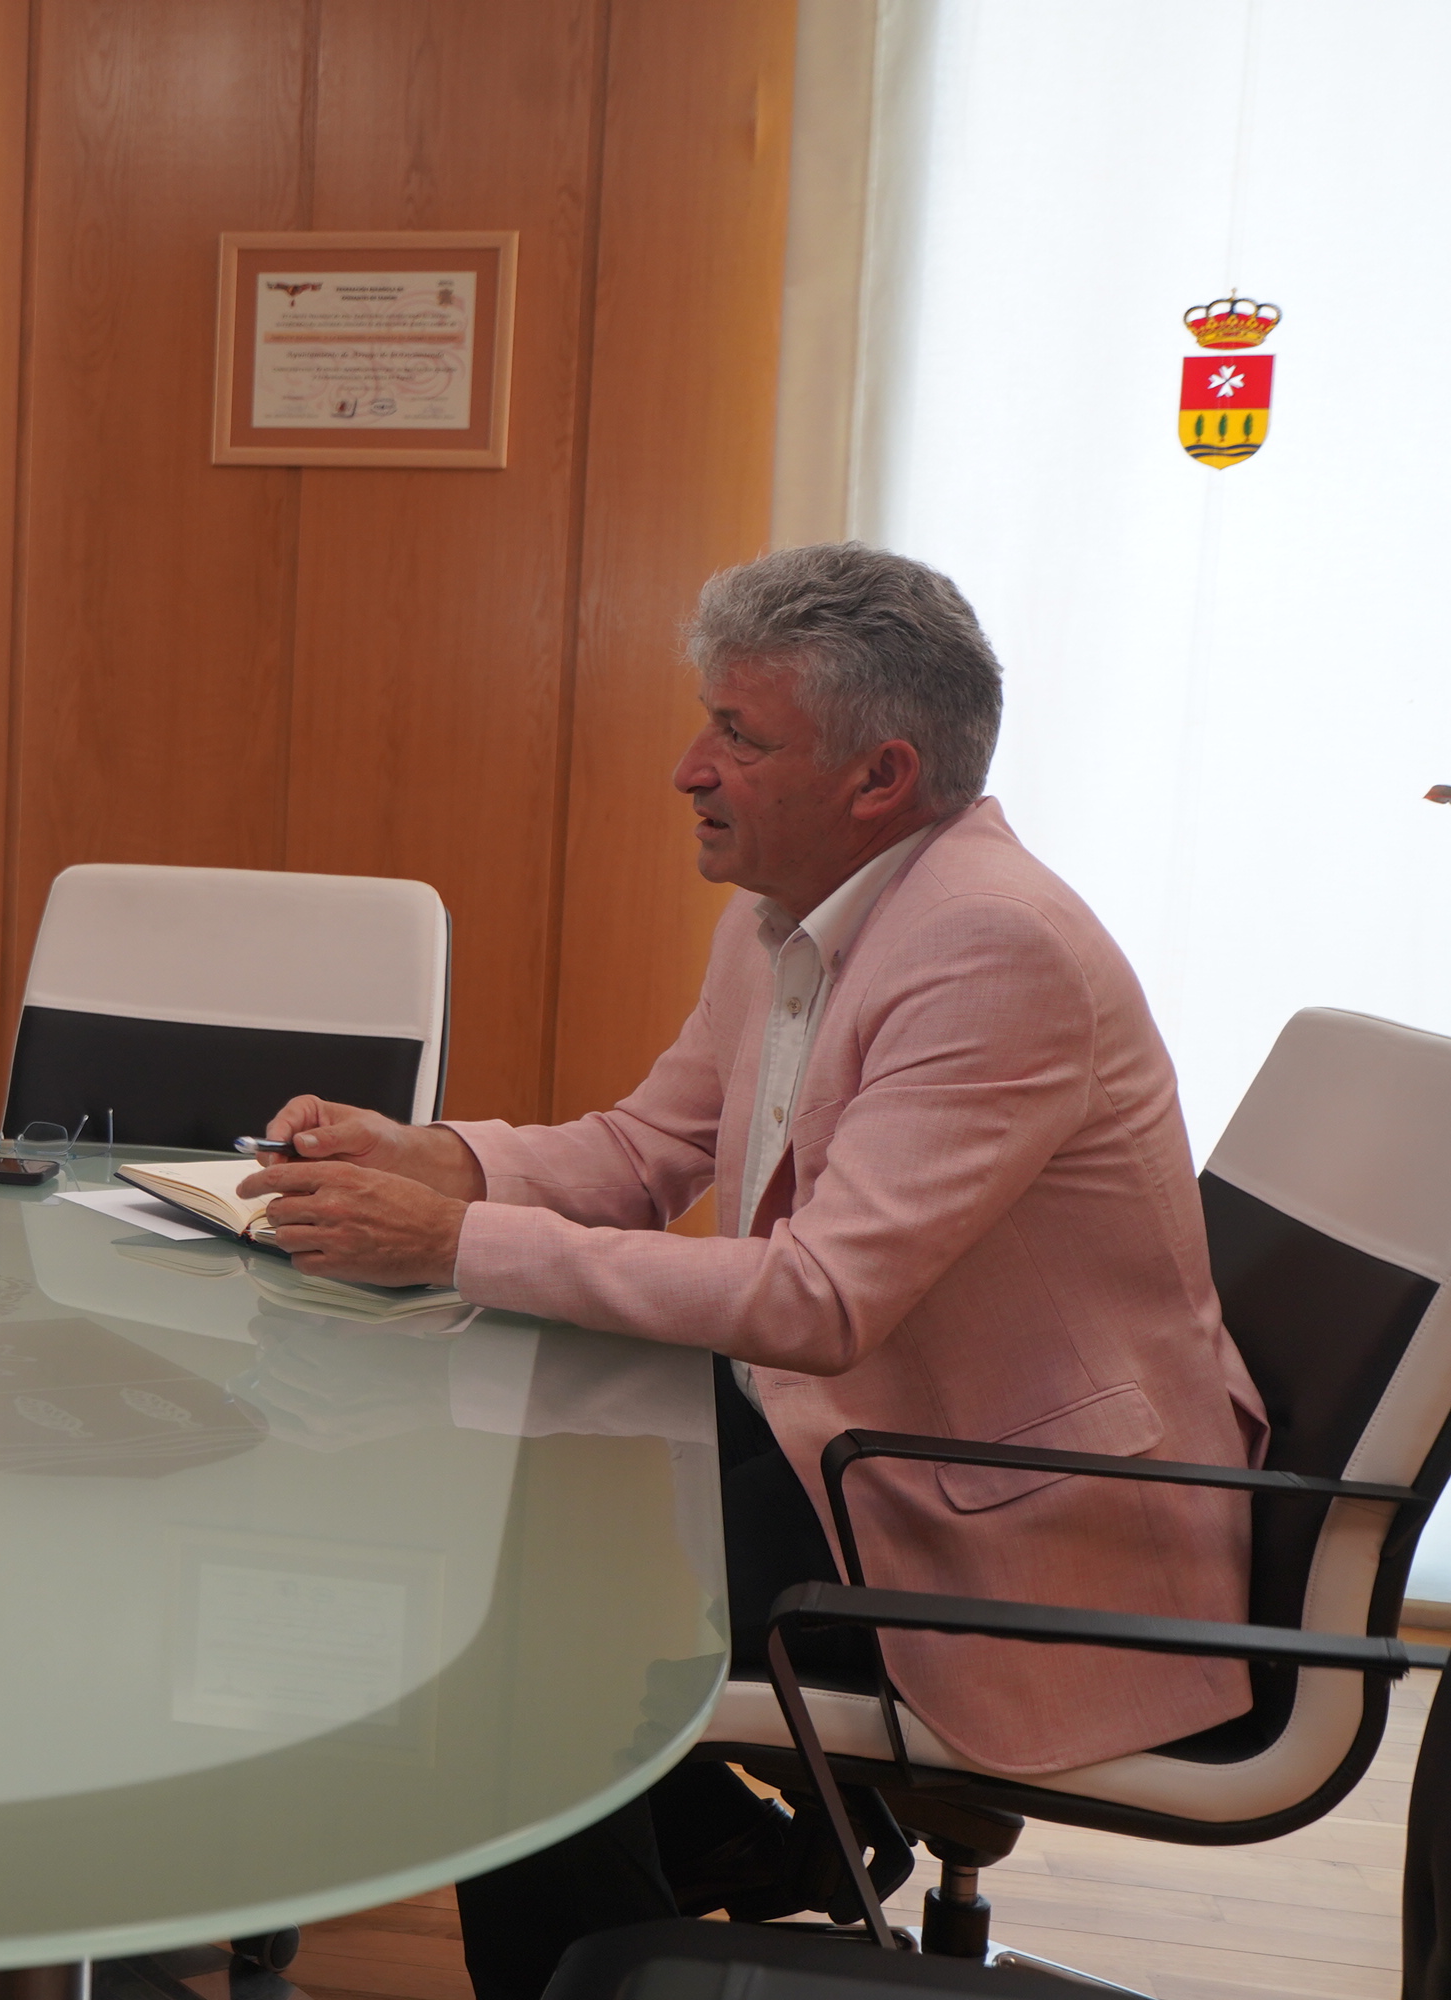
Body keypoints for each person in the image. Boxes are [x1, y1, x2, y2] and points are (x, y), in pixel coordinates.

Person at [241, 542, 1267, 1997]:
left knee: (517, 1638)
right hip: (850, 1435)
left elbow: (819, 1299)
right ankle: (715, 1859)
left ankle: (615, 1949)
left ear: (879, 776)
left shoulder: (991, 947)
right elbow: (646, 1147)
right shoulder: (791, 910)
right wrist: (432, 1158)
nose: (688, 768)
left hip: (1007, 1514)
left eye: (738, 735)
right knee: (492, 1522)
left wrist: (452, 1241)